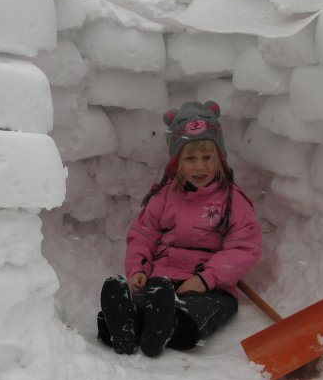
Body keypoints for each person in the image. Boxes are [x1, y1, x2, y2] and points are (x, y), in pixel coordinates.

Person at [97, 100, 262, 357]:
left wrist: (205, 279)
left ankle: (161, 327)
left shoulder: (232, 201)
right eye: (190, 158)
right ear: (177, 163)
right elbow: (143, 236)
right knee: (125, 313)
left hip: (210, 288)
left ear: (219, 157)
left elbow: (243, 248)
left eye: (207, 157)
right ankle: (126, 327)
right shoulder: (164, 197)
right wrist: (138, 270)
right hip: (159, 283)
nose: (200, 166)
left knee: (191, 320)